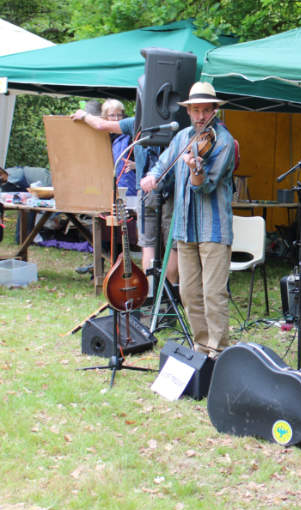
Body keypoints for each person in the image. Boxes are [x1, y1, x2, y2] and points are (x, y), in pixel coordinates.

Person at [141, 81, 236, 357]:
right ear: (189, 111)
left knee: (213, 295)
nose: (200, 117)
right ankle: (201, 346)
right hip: (184, 227)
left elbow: (205, 186)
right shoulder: (182, 137)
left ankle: (218, 353)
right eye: (195, 110)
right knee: (190, 293)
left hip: (213, 229)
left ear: (215, 111)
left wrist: (196, 169)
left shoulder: (224, 142)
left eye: (206, 111)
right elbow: (164, 163)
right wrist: (153, 176)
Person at [70, 103, 178, 285]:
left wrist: (83, 115)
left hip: (144, 190)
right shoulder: (176, 124)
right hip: (168, 189)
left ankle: (151, 293)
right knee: (171, 246)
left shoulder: (135, 123)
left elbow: (101, 125)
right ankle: (172, 293)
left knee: (148, 245)